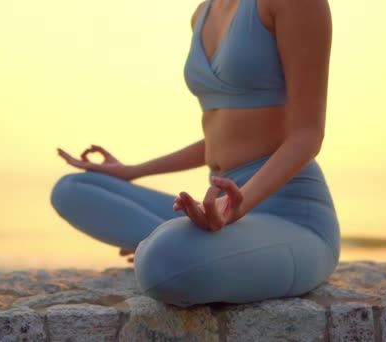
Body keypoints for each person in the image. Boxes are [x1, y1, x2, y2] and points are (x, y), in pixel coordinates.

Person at [51, 0, 339, 308]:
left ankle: (172, 246)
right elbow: (218, 141)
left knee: (164, 264)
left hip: (290, 216)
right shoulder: (202, 13)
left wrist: (235, 206)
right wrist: (133, 171)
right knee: (72, 190)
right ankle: (183, 244)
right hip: (221, 203)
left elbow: (307, 135)